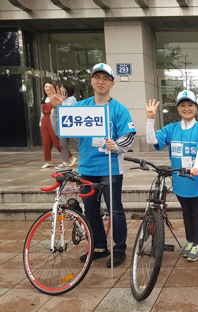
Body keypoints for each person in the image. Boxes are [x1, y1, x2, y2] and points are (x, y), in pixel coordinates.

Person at [48, 63, 136, 267]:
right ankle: (98, 247)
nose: (101, 81)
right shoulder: (80, 107)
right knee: (91, 209)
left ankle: (119, 248)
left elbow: (129, 136)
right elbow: (61, 131)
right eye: (97, 77)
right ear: (91, 81)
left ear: (112, 83)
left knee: (115, 210)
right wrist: (56, 109)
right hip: (87, 168)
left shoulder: (119, 109)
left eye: (106, 78)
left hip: (111, 169)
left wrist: (116, 145)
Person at [145, 90, 198, 261]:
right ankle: (190, 241)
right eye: (182, 105)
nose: (186, 108)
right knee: (186, 212)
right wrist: (150, 119)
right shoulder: (171, 128)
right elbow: (151, 140)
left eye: (190, 105)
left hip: (195, 180)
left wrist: (197, 166)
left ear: (196, 107)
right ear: (178, 108)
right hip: (179, 180)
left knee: (197, 213)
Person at [40, 82, 71, 169]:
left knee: (56, 141)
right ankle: (47, 161)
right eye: (45, 86)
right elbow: (41, 112)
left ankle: (70, 157)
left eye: (49, 86)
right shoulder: (44, 99)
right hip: (44, 121)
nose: (47, 88)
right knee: (45, 142)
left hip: (52, 120)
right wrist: (40, 122)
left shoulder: (56, 97)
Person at [50, 81, 78, 170]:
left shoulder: (72, 98)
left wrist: (62, 101)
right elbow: (57, 111)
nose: (61, 89)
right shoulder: (61, 98)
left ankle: (86, 158)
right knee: (62, 144)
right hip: (62, 125)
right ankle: (65, 162)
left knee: (76, 143)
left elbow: (68, 110)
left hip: (71, 125)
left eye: (63, 87)